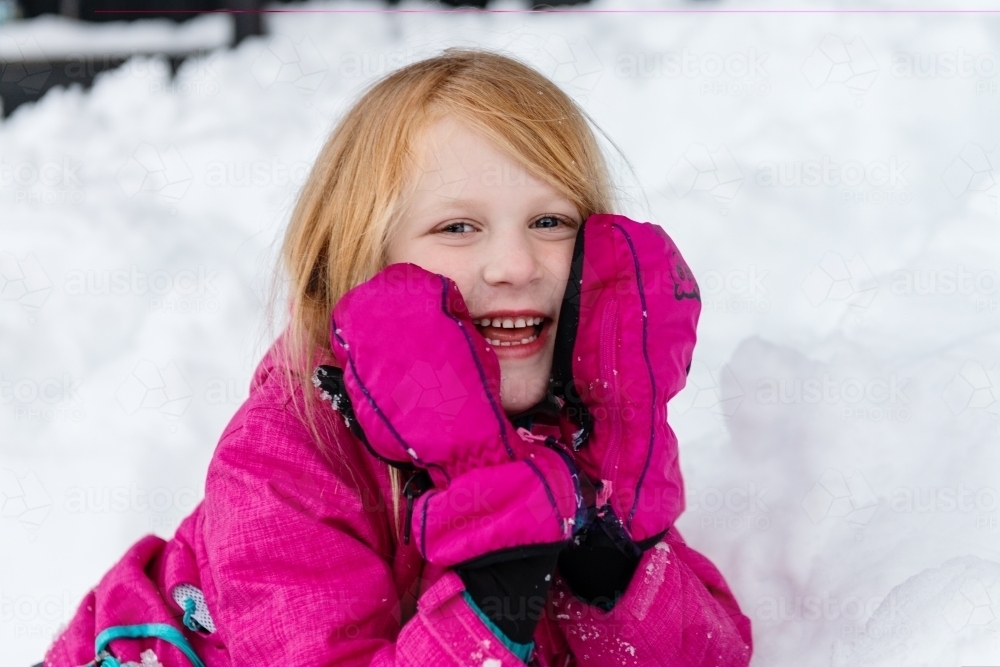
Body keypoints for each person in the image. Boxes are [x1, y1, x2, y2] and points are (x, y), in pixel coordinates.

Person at [40, 47, 753, 667]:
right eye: (457, 226)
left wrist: (613, 562)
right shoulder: (285, 456)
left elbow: (708, 653)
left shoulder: (571, 429)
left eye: (549, 221)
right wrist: (494, 586)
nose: (514, 262)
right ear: (360, 265)